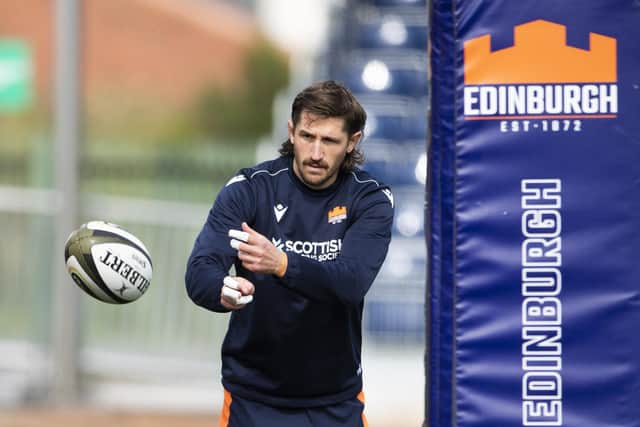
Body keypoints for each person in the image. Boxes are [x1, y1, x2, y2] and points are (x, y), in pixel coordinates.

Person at [185, 80, 394, 427]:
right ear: (291, 131)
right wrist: (222, 288)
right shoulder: (251, 188)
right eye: (307, 137)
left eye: (329, 141)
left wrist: (281, 263)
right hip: (252, 399)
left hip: (335, 401)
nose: (315, 153)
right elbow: (201, 270)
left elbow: (351, 282)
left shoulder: (370, 199)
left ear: (352, 142)